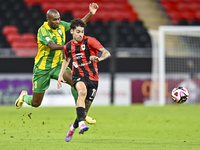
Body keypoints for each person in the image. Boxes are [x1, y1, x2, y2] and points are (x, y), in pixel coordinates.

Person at [15, 3, 99, 125]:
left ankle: (82, 113)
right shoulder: (42, 31)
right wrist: (68, 46)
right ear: (47, 20)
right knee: (36, 103)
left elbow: (77, 25)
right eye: (54, 20)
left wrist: (90, 14)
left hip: (58, 65)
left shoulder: (61, 26)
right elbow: (52, 46)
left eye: (58, 19)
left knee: (75, 81)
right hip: (42, 68)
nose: (57, 21)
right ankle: (23, 97)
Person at [57, 18, 111, 142]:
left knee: (84, 112)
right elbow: (66, 60)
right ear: (71, 32)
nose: (80, 34)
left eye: (82, 31)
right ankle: (81, 124)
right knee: (81, 92)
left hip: (93, 78)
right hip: (78, 75)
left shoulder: (90, 41)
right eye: (78, 32)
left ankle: (73, 126)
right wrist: (60, 75)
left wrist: (99, 59)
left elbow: (107, 53)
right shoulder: (68, 46)